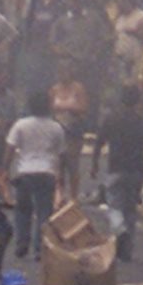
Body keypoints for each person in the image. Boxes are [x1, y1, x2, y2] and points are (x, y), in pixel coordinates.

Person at [90, 86, 143, 262]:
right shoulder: (142, 122)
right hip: (136, 171)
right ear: (137, 101)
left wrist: (95, 164)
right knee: (131, 209)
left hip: (116, 168)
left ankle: (120, 230)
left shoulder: (111, 119)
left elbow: (98, 143)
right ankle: (127, 250)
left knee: (114, 206)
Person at [4, 91, 64, 261]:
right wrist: (60, 177)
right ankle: (39, 248)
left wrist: (5, 170)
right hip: (47, 173)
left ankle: (22, 243)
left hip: (25, 172)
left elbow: (10, 149)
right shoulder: (56, 127)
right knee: (44, 212)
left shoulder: (21, 125)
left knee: (23, 210)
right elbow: (61, 155)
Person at [49, 57, 89, 203]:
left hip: (73, 132)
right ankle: (59, 195)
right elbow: (50, 109)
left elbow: (84, 108)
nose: (64, 74)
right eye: (61, 71)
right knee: (58, 166)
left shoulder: (78, 88)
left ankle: (74, 197)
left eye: (66, 71)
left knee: (72, 165)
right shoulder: (54, 90)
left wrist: (68, 108)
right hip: (58, 131)